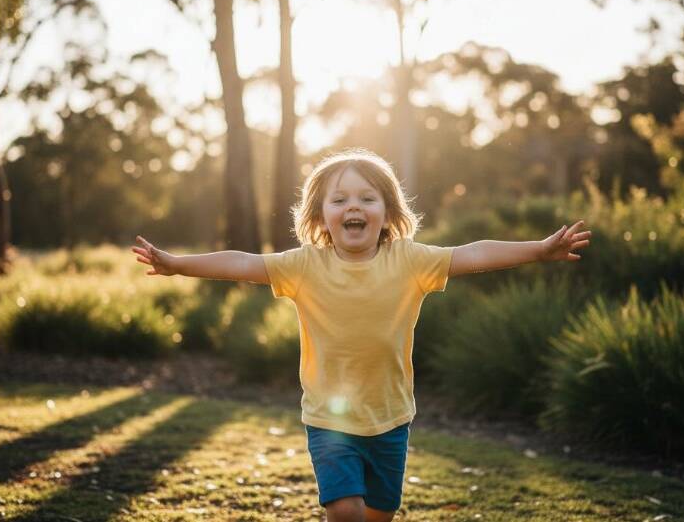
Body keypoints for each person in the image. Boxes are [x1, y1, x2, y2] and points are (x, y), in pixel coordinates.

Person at [131, 147, 591, 522]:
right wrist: (177, 264)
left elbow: (473, 253)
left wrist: (538, 251)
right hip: (329, 419)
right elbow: (241, 262)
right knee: (345, 511)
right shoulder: (304, 265)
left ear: (388, 212)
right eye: (339, 199)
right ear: (320, 216)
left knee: (376, 514)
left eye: (367, 198)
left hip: (390, 418)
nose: (353, 206)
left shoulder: (410, 260)